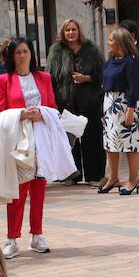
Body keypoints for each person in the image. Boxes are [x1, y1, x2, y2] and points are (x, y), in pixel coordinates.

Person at [0, 38, 58, 259]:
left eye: (25, 51)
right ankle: (11, 238)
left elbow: (53, 107)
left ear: (32, 54)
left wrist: (43, 113)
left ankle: (37, 234)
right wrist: (20, 114)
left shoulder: (44, 78)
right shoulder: (2, 80)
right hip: (18, 141)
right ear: (12, 56)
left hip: (40, 139)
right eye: (17, 52)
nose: (22, 56)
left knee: (39, 189)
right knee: (18, 190)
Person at [46, 19, 105, 184]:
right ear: (63, 33)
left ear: (79, 31)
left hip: (89, 101)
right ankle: (72, 175)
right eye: (67, 30)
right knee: (68, 141)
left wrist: (87, 78)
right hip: (66, 102)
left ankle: (95, 175)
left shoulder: (91, 50)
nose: (70, 33)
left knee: (92, 139)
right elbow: (50, 77)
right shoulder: (56, 51)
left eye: (73, 29)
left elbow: (103, 74)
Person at [98, 27, 139, 194]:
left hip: (126, 105)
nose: (108, 43)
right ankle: (113, 178)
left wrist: (131, 110)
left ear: (120, 42)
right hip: (110, 105)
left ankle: (133, 180)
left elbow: (134, 87)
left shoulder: (131, 61)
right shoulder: (111, 60)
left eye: (111, 40)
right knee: (111, 144)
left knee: (130, 144)